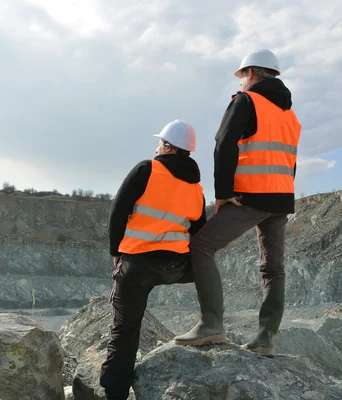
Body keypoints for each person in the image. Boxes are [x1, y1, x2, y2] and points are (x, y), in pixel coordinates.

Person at [173, 49, 302, 357]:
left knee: (201, 246)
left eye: (243, 75)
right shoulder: (290, 114)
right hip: (281, 198)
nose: (242, 81)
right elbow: (290, 161)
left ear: (252, 73)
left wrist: (222, 193)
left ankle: (211, 326)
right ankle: (264, 339)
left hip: (250, 196)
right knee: (273, 268)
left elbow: (224, 143)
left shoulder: (246, 101)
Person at [99, 120, 207, 400]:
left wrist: (116, 252)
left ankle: (114, 392)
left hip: (137, 264)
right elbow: (200, 231)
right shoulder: (197, 187)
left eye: (160, 141)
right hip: (176, 266)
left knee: (124, 330)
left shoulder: (147, 169)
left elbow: (118, 211)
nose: (157, 145)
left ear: (168, 146)